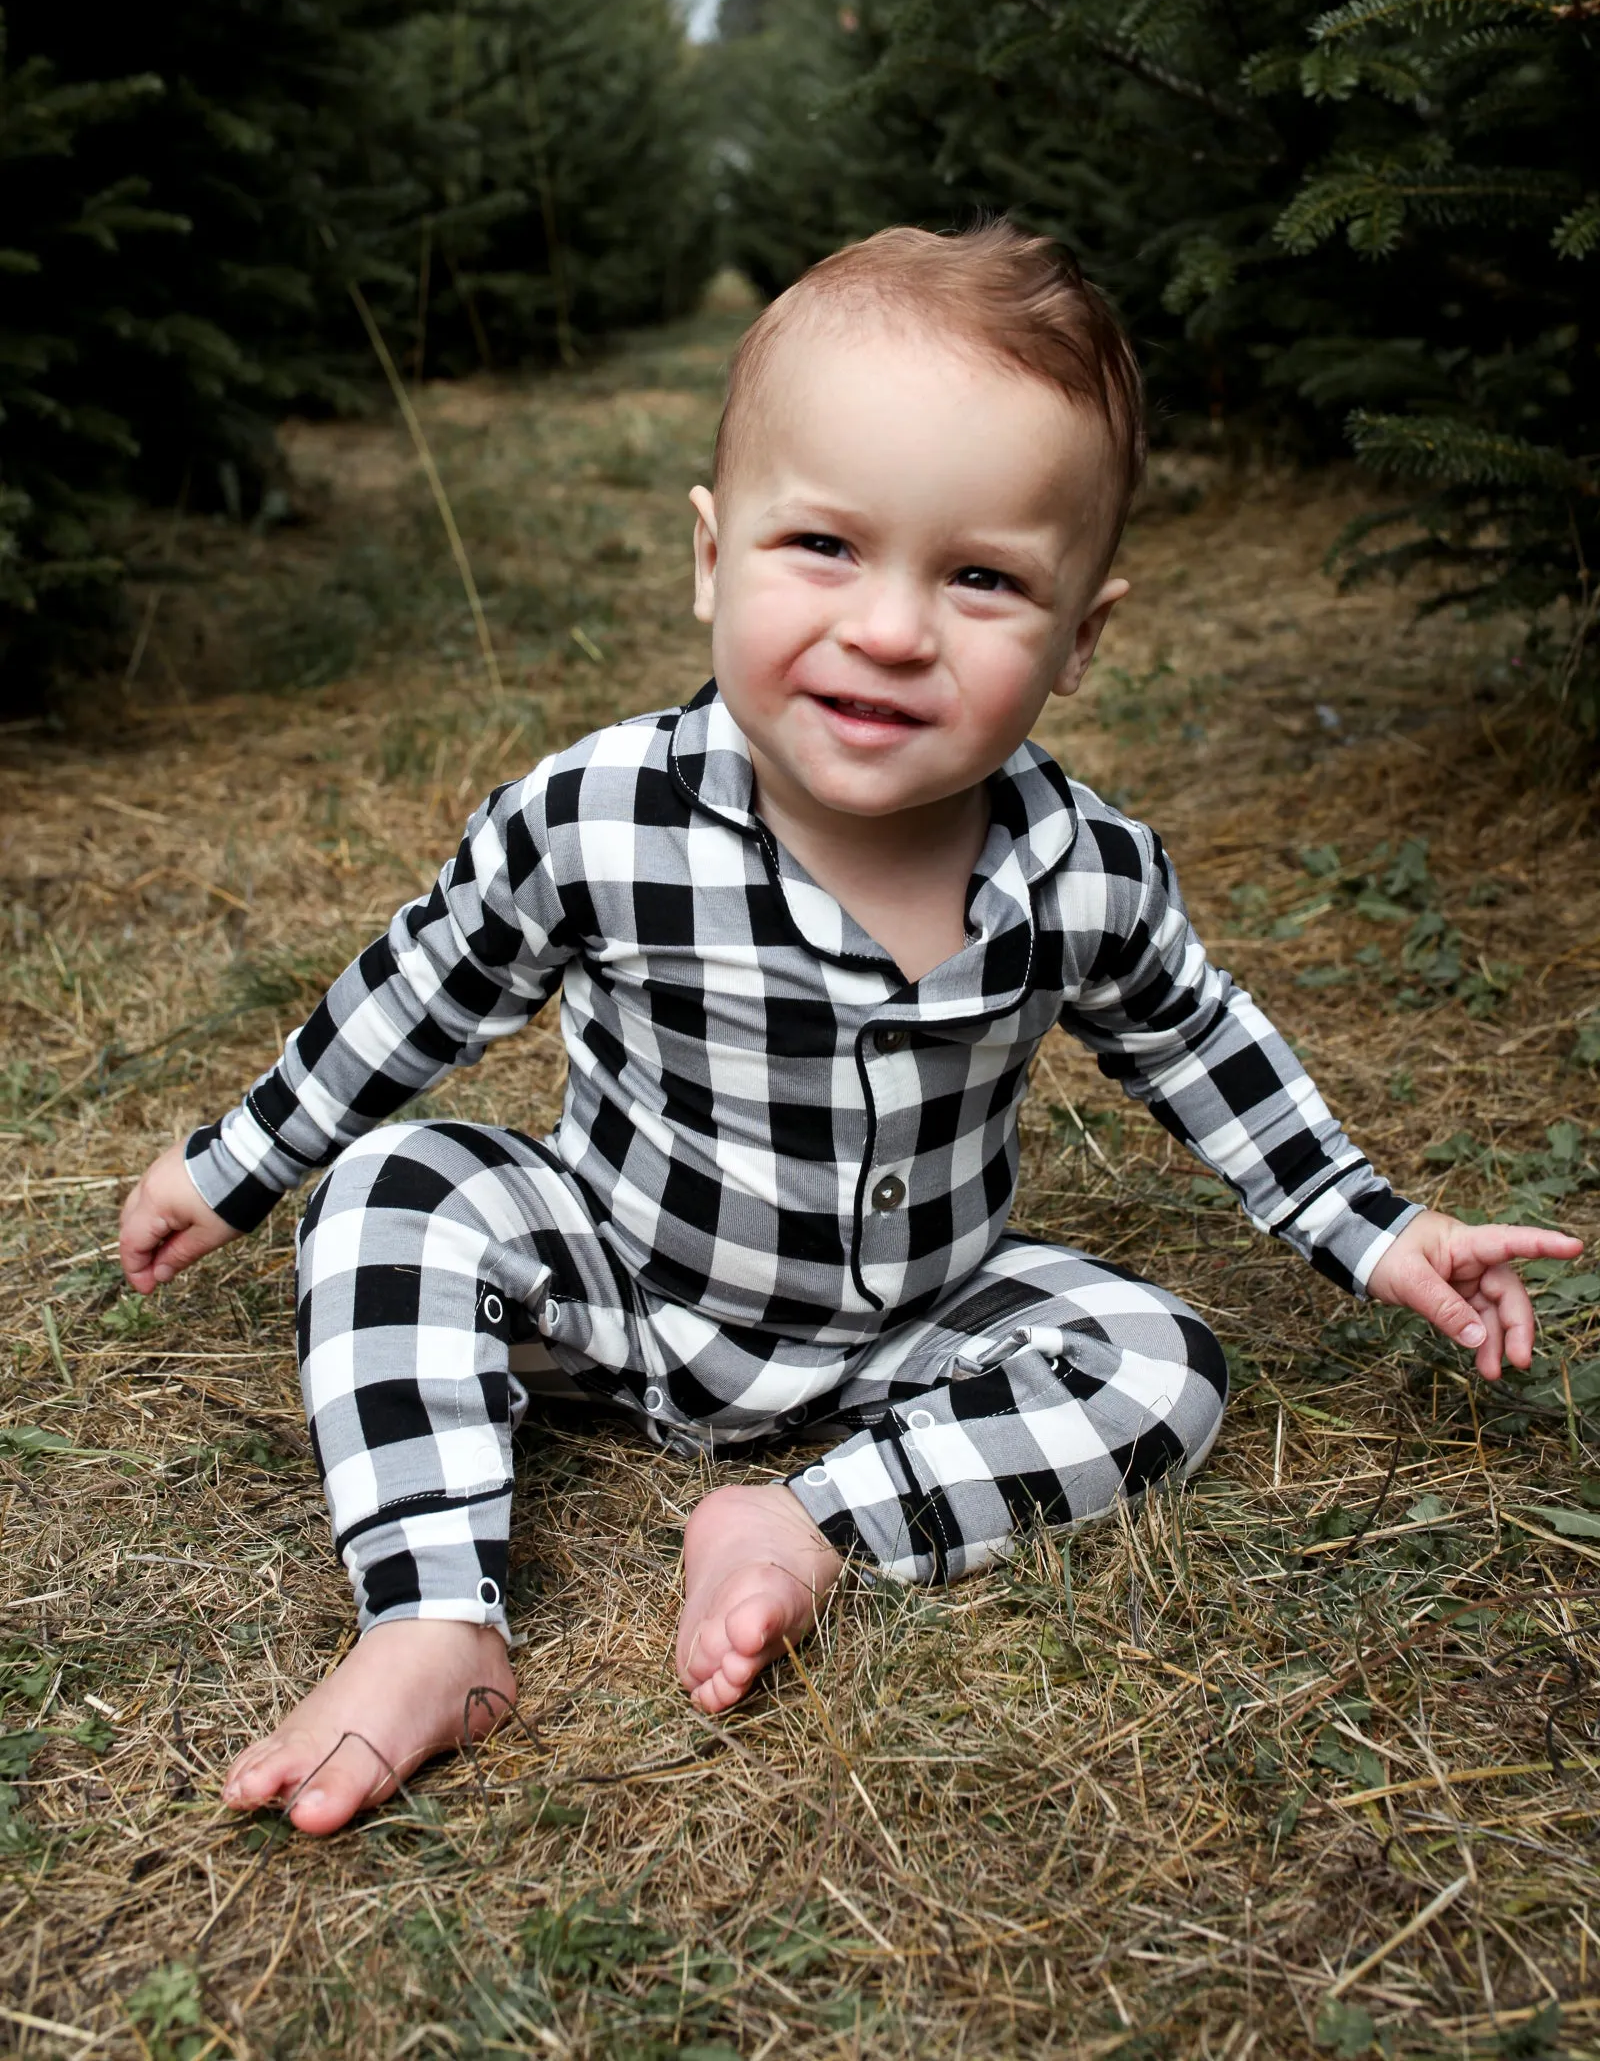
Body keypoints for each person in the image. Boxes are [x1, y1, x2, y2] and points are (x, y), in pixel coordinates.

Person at [117, 223, 1580, 1838]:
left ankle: (803, 1524)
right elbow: (422, 990)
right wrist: (234, 1166)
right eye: (822, 545)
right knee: (394, 1197)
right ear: (709, 558)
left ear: (1082, 637)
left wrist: (1379, 1235)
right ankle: (433, 1618)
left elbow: (1202, 1051)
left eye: (981, 577)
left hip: (916, 1331)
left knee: (1165, 1367)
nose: (889, 629)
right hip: (617, 1284)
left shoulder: (1076, 872)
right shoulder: (602, 818)